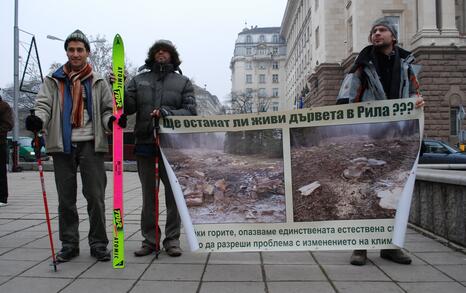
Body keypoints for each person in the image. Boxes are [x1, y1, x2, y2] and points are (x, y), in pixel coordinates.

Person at [25, 29, 125, 262]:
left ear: (87, 52)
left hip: (91, 144)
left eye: (80, 49)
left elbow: (108, 109)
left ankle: (99, 243)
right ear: (67, 52)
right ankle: (69, 244)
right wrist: (38, 119)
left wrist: (111, 120)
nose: (75, 54)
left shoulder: (97, 81)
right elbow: (43, 105)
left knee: (95, 197)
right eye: (71, 49)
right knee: (65, 199)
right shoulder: (54, 80)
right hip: (62, 145)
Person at [336, 17, 424, 266]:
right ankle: (360, 247)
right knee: (364, 190)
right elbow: (348, 100)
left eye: (382, 30)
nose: (377, 33)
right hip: (368, 137)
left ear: (393, 37)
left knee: (394, 191)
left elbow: (415, 94)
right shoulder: (360, 67)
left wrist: (418, 103)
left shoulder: (407, 66)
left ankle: (390, 246)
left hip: (398, 136)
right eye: (374, 30)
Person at [123, 39, 196, 257]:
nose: (162, 54)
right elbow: (127, 108)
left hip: (173, 146)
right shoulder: (139, 79)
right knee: (148, 194)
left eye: (166, 51)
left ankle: (172, 239)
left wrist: (166, 112)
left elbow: (191, 112)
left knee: (173, 195)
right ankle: (149, 240)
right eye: (158, 51)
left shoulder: (183, 82)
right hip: (145, 141)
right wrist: (118, 87)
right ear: (152, 55)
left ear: (173, 56)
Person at [0, 94, 13, 207]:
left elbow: (8, 124)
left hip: (0, 143)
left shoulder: (3, 106)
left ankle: (2, 197)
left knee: (0, 171)